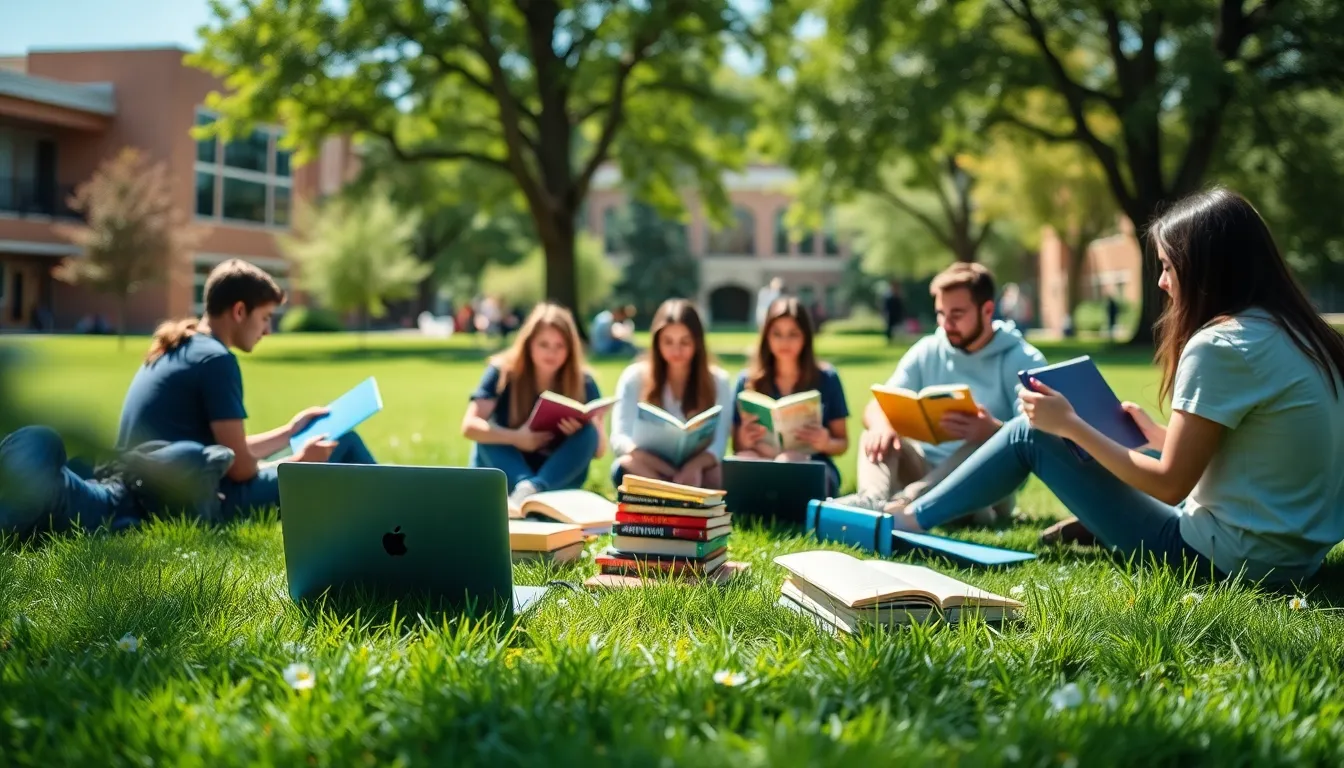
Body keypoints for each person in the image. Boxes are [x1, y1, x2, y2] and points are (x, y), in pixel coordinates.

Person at [886, 187, 1344, 585]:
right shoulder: (1306, 337)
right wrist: (1156, 437)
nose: (1163, 283)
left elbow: (1169, 486)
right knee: (1102, 443)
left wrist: (1070, 426)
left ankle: (910, 521)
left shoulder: (1220, 346)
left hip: (1224, 561)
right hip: (1294, 559)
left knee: (1032, 432)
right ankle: (1096, 519)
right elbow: (1253, 456)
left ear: (1208, 269)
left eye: (1168, 266)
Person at [115, 259, 377, 520]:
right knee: (345, 443)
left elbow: (230, 450)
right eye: (265, 318)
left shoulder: (183, 347)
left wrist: (289, 433)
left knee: (334, 446)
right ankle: (403, 517)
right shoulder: (216, 360)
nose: (268, 330)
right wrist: (300, 463)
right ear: (239, 311)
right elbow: (240, 469)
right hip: (197, 501)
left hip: (151, 493)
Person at [848, 262, 1048, 524]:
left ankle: (907, 507)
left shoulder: (1023, 359)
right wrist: (882, 426)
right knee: (876, 434)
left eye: (956, 314)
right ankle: (871, 502)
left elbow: (1036, 437)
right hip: (924, 467)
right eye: (940, 313)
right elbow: (875, 405)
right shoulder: (928, 349)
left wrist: (994, 431)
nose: (945, 324)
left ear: (987, 310)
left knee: (986, 442)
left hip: (985, 481)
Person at [462, 302, 607, 510]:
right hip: (508, 469)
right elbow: (469, 426)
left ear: (571, 348)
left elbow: (599, 451)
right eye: (544, 344)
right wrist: (518, 438)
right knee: (486, 434)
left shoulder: (583, 382)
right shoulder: (502, 372)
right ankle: (526, 490)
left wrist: (592, 426)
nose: (552, 353)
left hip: (555, 475)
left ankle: (534, 490)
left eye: (560, 346)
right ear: (529, 343)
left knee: (588, 434)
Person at [608, 298, 734, 489]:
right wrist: (666, 470)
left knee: (718, 474)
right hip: (649, 466)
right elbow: (620, 438)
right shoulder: (635, 377)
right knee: (625, 466)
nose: (676, 350)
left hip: (697, 466)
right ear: (656, 341)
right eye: (668, 341)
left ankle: (672, 496)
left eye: (685, 342)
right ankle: (672, 494)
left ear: (697, 343)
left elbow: (718, 446)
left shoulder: (718, 381)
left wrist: (694, 467)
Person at [732, 297, 849, 497]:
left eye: (793, 334)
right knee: (743, 459)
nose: (784, 342)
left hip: (812, 464)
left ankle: (773, 504)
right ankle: (763, 506)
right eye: (777, 334)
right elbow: (736, 445)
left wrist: (826, 442)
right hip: (763, 459)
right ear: (766, 336)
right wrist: (744, 438)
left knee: (788, 461)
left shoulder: (827, 377)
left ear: (805, 336)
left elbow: (842, 442)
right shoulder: (747, 381)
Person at [883, 280, 905, 345]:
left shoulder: (898, 295)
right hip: (890, 314)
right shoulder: (888, 296)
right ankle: (890, 340)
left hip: (897, 314)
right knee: (890, 328)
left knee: (898, 328)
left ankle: (897, 340)